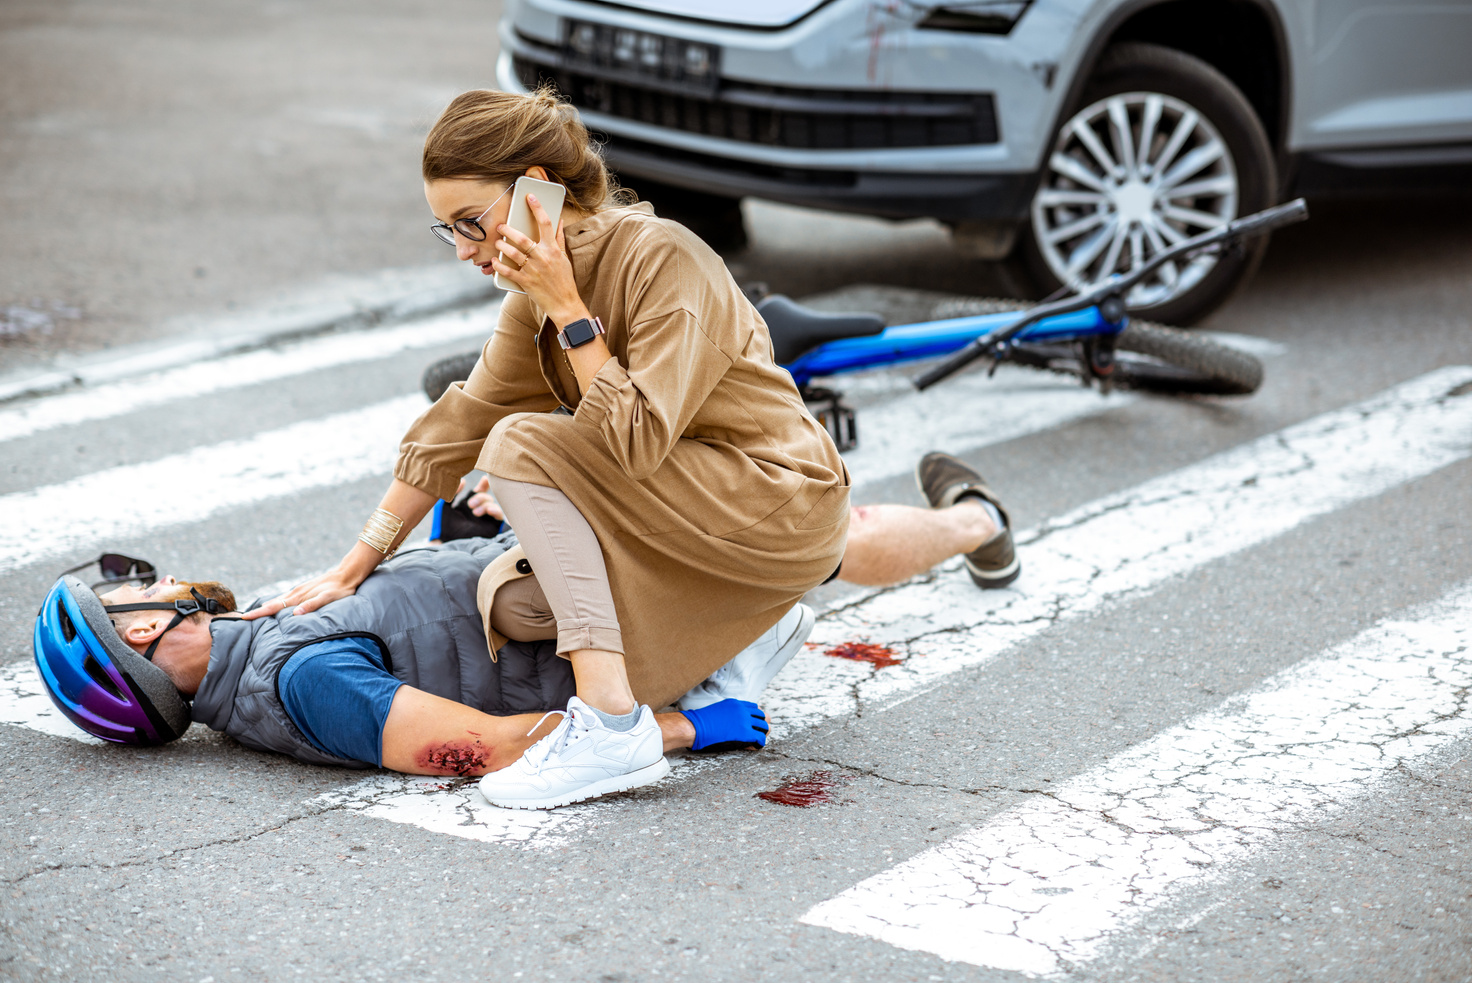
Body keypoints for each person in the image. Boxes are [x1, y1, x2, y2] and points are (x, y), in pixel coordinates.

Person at [244, 88, 854, 810]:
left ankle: (612, 727)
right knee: (514, 603)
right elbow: (460, 423)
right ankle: (752, 626)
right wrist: (352, 565)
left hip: (780, 500)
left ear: (540, 188)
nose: (466, 250)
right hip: (691, 508)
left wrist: (570, 310)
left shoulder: (662, 259)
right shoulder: (529, 295)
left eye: (472, 222)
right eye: (448, 231)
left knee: (522, 444)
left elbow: (634, 440)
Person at [31, 539, 773, 778]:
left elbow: (411, 616)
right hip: (643, 629)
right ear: (141, 630)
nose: (153, 581)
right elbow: (489, 747)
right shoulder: (303, 680)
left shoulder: (259, 639)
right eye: (133, 591)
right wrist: (684, 727)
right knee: (803, 540)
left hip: (552, 583)